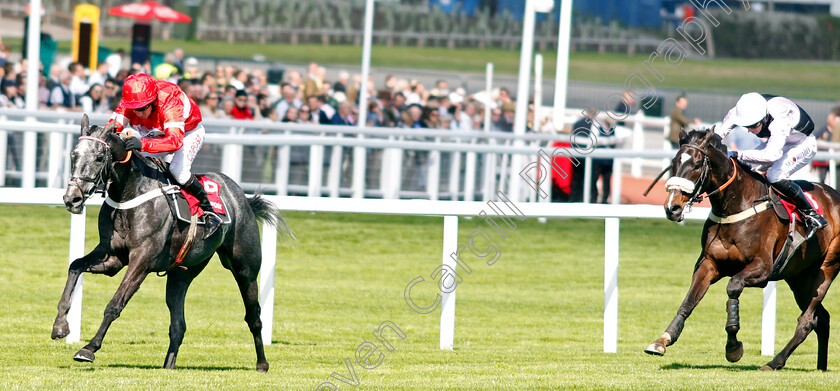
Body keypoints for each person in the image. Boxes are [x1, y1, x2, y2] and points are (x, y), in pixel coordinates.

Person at [107, 73, 222, 239]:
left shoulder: (169, 98)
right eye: (134, 109)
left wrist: (143, 144)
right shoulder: (133, 101)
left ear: (153, 101)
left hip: (187, 133)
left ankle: (210, 212)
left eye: (142, 108)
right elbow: (111, 128)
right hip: (157, 133)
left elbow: (175, 141)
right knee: (135, 162)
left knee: (178, 171)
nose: (137, 112)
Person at [715, 92, 827, 239]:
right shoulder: (745, 109)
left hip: (802, 144)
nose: (749, 130)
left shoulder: (779, 120)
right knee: (742, 165)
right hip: (778, 142)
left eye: (752, 126)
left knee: (775, 175)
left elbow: (771, 155)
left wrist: (738, 154)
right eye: (746, 126)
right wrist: (713, 141)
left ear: (764, 118)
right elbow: (722, 129)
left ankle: (811, 215)